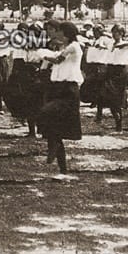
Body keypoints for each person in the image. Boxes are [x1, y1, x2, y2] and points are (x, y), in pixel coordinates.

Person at [36, 21, 83, 173]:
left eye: (59, 32)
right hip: (57, 88)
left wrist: (43, 53)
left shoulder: (74, 46)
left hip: (68, 90)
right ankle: (62, 169)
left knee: (46, 113)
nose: (57, 34)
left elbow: (57, 60)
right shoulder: (64, 47)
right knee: (54, 130)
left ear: (66, 33)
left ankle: (53, 149)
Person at [96, 24, 128, 132]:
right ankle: (112, 116)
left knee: (117, 98)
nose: (114, 34)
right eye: (113, 32)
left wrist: (123, 44)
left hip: (119, 72)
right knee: (106, 94)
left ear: (122, 33)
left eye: (117, 32)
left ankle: (119, 123)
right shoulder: (111, 44)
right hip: (110, 69)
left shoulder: (125, 43)